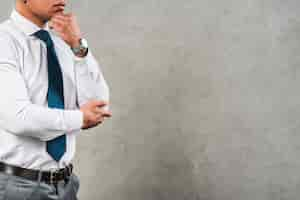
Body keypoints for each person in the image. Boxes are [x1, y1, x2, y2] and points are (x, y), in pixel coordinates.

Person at [0, 0, 112, 199]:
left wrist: (78, 46)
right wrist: (80, 119)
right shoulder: (4, 41)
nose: (63, 0)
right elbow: (18, 117)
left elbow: (98, 104)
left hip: (66, 186)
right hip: (17, 188)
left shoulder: (63, 41)